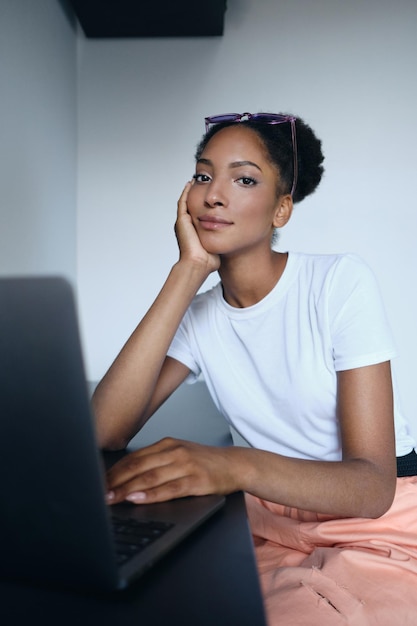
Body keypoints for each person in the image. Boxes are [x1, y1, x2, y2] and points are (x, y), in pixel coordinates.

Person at [92, 112, 417, 625]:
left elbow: (372, 487)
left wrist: (234, 467)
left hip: (377, 522)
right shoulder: (198, 315)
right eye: (203, 176)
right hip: (266, 519)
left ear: (281, 209)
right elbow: (102, 430)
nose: (213, 195)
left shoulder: (338, 283)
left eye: (244, 179)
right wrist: (188, 270)